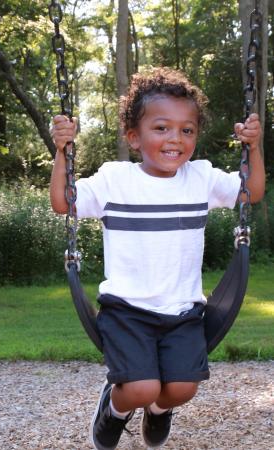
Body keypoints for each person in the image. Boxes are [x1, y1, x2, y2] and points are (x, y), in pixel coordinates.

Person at [50, 67, 265, 450]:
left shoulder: (200, 177)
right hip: (126, 310)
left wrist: (253, 146)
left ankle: (158, 411)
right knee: (139, 386)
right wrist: (62, 151)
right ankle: (114, 412)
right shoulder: (116, 180)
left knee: (181, 388)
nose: (175, 139)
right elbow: (63, 202)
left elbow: (250, 192)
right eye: (161, 128)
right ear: (134, 137)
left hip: (183, 311)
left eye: (187, 130)